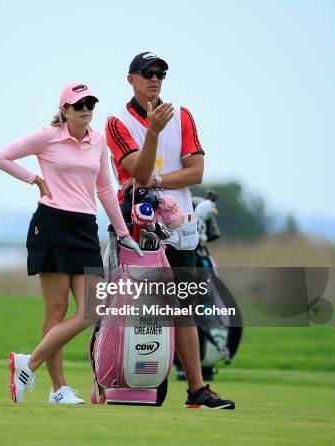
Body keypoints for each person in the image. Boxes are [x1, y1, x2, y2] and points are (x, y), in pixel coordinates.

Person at [0, 82, 140, 404]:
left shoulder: (98, 141)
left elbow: (104, 190)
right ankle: (58, 390)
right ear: (65, 109)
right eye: (79, 105)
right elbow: (0, 157)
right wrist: (35, 179)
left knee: (92, 309)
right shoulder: (47, 136)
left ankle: (27, 363)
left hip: (85, 228)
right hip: (53, 225)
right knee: (56, 310)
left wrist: (124, 232)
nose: (86, 110)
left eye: (90, 104)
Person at [105, 51, 236, 409]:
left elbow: (196, 172)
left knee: (183, 308)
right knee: (131, 307)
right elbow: (138, 173)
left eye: (161, 73)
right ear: (131, 79)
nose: (155, 79)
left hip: (181, 229)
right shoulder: (117, 122)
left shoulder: (183, 116)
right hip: (138, 230)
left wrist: (159, 179)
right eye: (147, 73)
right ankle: (120, 380)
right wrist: (152, 134)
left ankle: (197, 391)